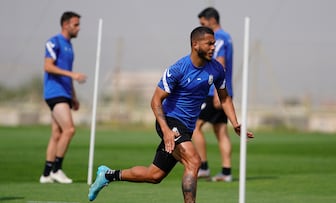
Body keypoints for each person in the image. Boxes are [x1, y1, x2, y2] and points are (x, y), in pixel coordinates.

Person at [88, 26, 253, 203]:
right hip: (169, 120)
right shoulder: (178, 69)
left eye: (214, 43)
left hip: (186, 128)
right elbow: (155, 101)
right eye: (209, 43)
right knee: (194, 161)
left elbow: (225, 98)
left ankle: (108, 175)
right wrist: (166, 130)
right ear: (195, 44)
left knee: (154, 175)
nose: (213, 47)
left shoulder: (217, 69)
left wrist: (235, 123)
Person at [39, 11, 87, 184]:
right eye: (76, 25)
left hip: (65, 93)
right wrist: (73, 75)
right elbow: (48, 66)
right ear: (65, 24)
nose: (78, 28)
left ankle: (45, 174)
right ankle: (57, 170)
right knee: (69, 129)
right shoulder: (54, 42)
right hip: (54, 92)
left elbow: (67, 74)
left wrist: (73, 96)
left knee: (57, 133)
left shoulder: (69, 46)